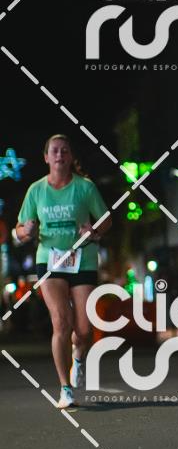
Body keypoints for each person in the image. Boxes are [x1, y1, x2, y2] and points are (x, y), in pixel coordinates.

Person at [15, 135, 111, 409]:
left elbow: (106, 220)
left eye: (64, 151)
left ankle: (78, 358)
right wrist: (26, 231)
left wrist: (94, 230)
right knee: (61, 322)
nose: (59, 155)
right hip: (50, 261)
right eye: (54, 151)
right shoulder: (36, 190)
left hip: (82, 259)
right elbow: (19, 230)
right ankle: (65, 388)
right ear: (46, 157)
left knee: (84, 329)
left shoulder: (85, 187)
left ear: (70, 157)